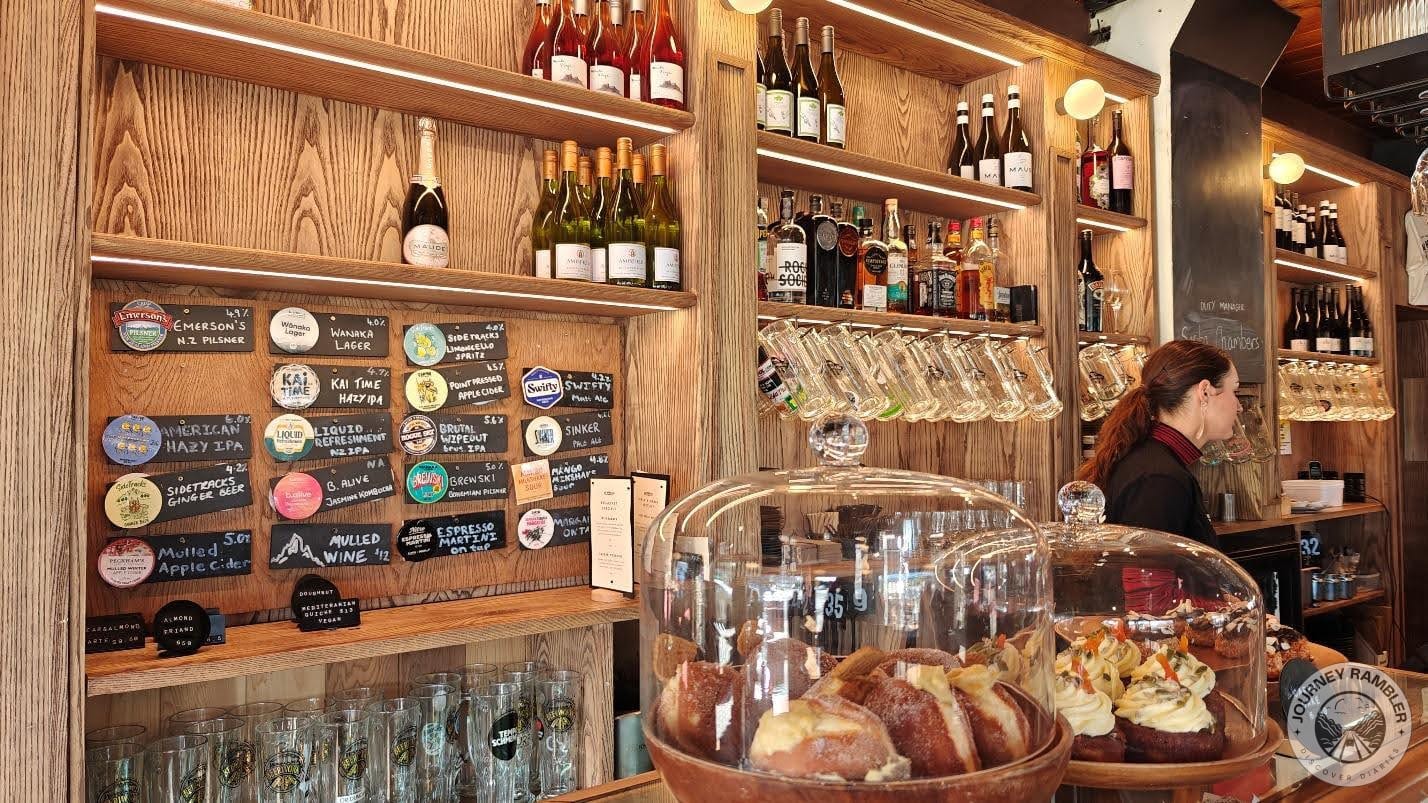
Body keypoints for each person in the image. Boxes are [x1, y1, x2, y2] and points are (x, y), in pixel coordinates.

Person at [1076, 339, 1240, 550]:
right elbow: (1144, 571)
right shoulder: (1159, 479)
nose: (1239, 406)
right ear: (1205, 392)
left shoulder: (1153, 463)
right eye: (1235, 391)